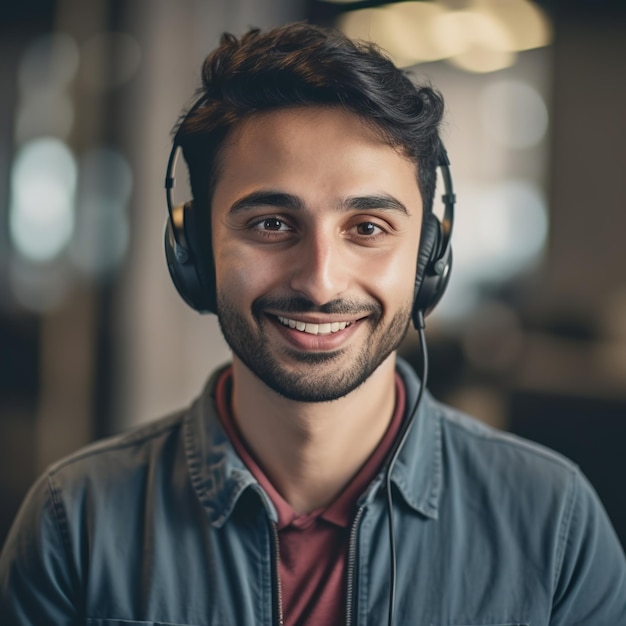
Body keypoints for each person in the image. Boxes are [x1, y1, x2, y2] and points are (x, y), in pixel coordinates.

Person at [1, 22, 625, 626]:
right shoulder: (72, 523)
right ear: (190, 247)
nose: (320, 282)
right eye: (271, 223)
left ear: (429, 256)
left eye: (368, 228)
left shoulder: (555, 523)